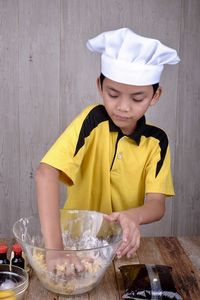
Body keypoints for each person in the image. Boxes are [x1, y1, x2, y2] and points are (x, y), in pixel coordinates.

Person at [35, 28, 180, 261]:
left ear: (155, 96)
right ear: (100, 87)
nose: (123, 107)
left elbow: (157, 204)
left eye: (137, 98)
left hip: (119, 248)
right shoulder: (92, 121)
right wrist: (55, 249)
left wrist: (133, 216)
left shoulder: (156, 141)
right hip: (70, 244)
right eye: (113, 94)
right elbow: (45, 173)